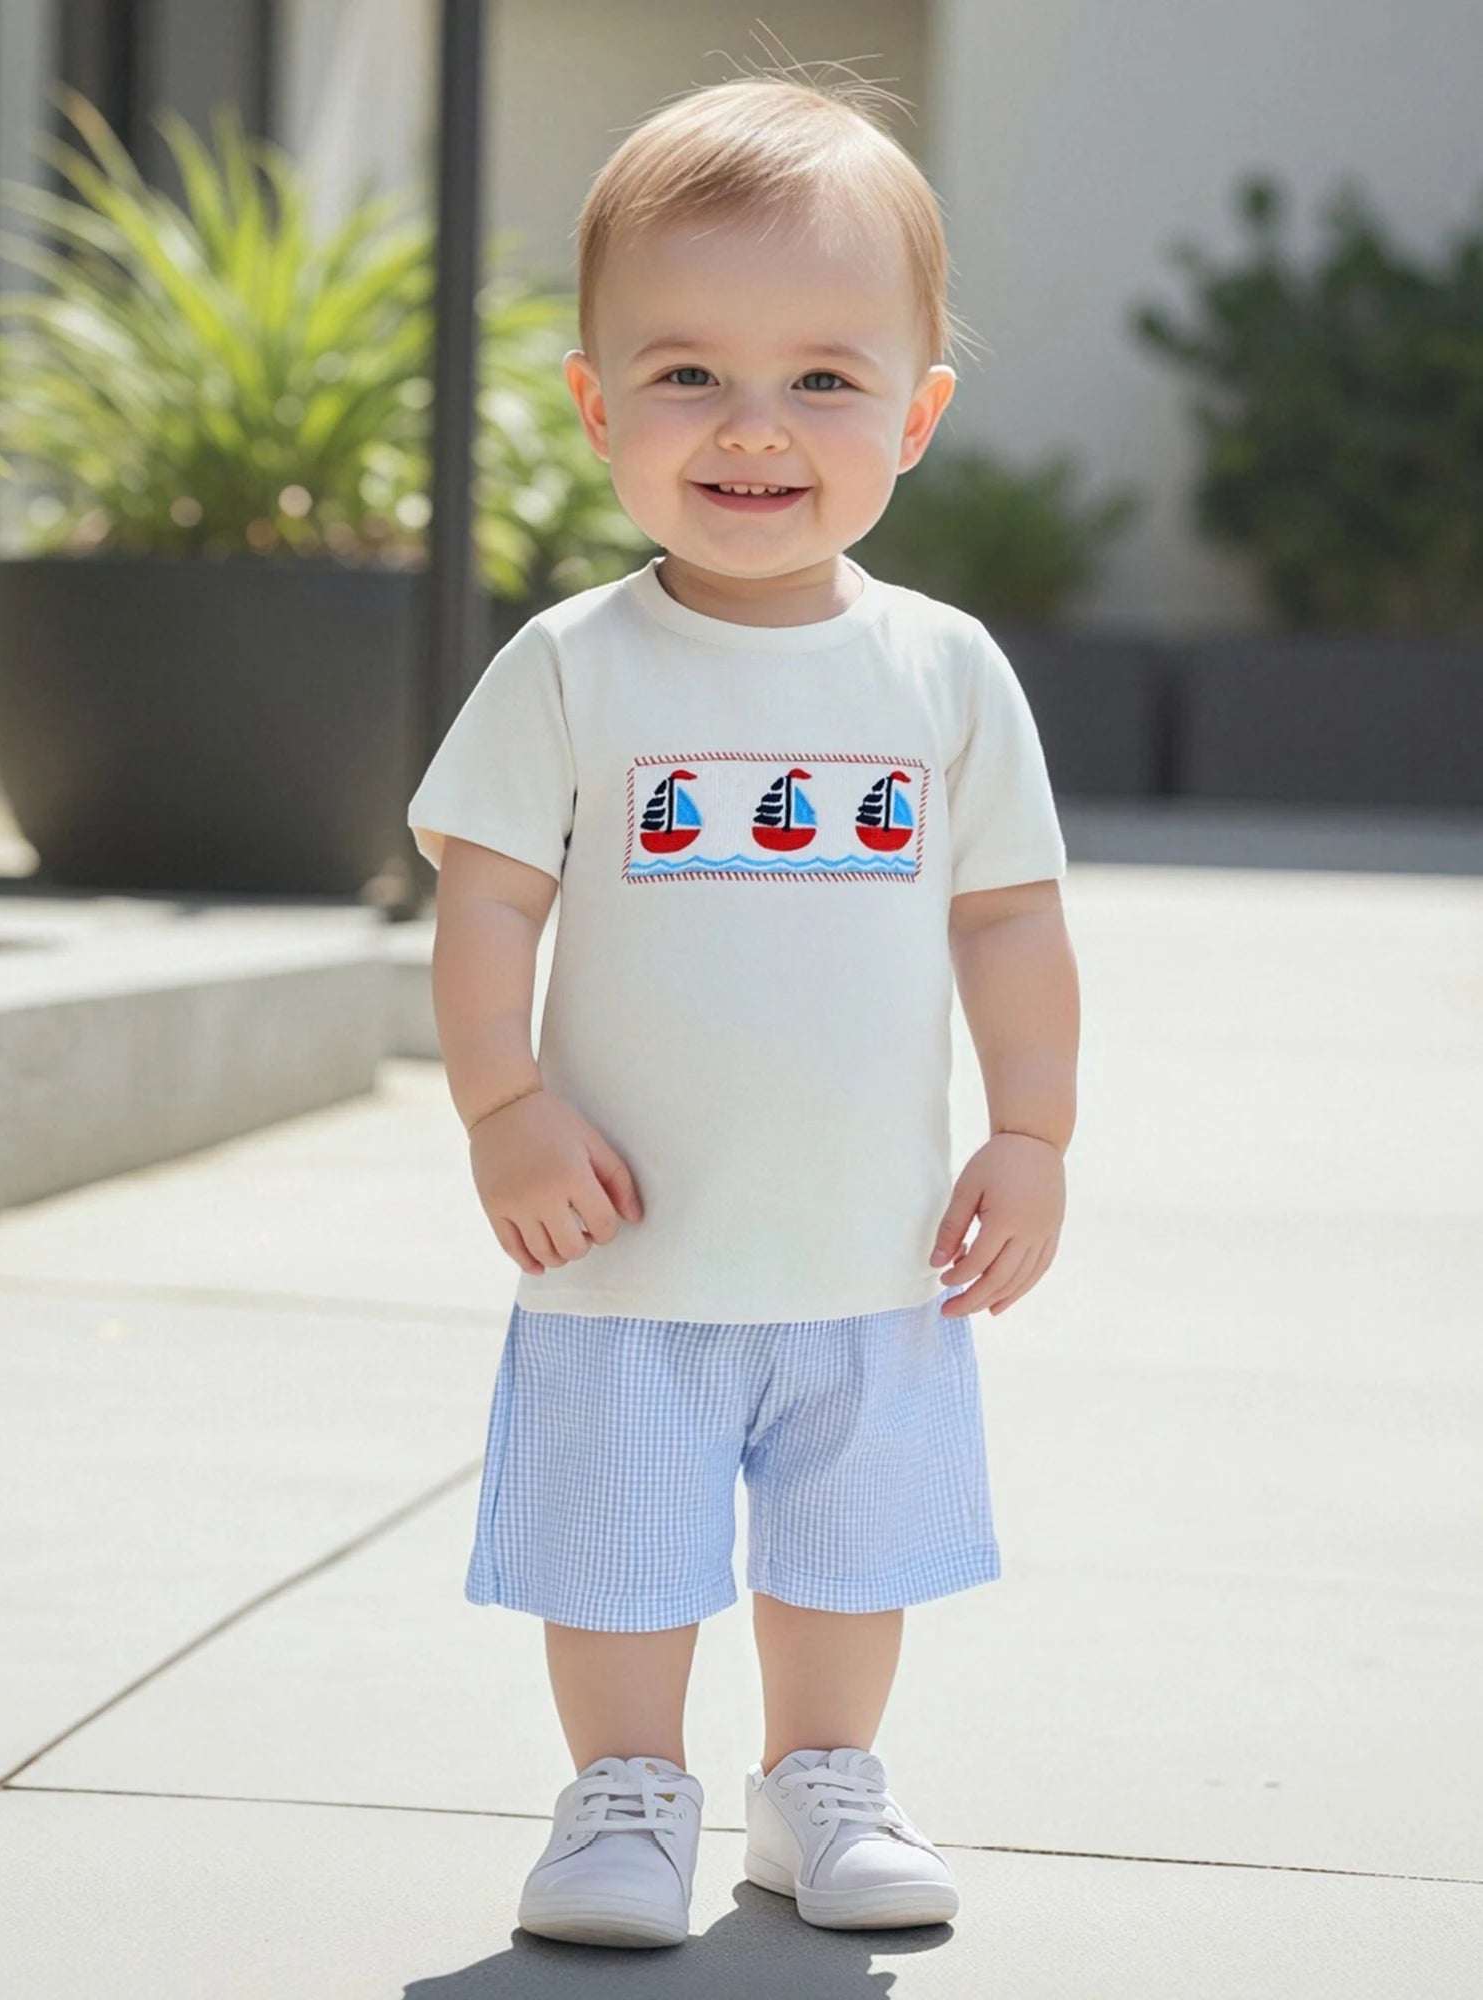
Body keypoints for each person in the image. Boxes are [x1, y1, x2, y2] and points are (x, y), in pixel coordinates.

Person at [407, 67, 1080, 1951]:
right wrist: (502, 1105)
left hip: (870, 1241)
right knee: (621, 1546)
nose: (754, 427)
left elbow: (1013, 919)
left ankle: (821, 1783)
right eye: (690, 373)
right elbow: (485, 899)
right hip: (623, 1235)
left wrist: (1032, 1134)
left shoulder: (939, 671)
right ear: (597, 402)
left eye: (824, 377)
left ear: (918, 412)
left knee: (847, 1540)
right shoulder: (574, 665)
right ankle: (623, 1796)